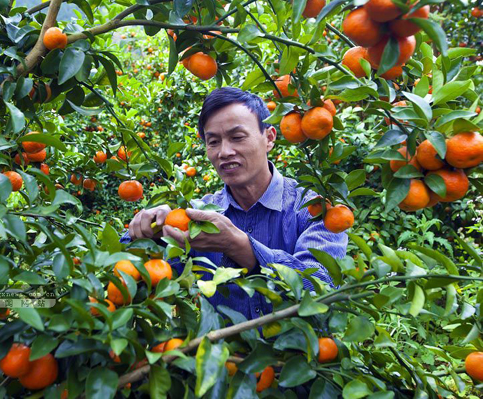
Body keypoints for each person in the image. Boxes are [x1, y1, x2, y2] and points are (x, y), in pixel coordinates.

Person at [122, 87, 348, 320]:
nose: (224, 152)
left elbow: (322, 285)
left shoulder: (314, 209)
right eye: (213, 142)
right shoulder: (198, 217)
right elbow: (137, 273)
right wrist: (149, 234)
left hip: (304, 353)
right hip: (222, 355)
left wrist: (244, 249)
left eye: (237, 137)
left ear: (269, 138)